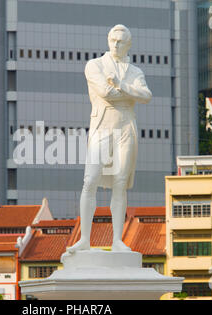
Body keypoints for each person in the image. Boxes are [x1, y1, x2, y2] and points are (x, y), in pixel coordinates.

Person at [67, 24, 152, 253]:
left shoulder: (135, 72)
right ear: (107, 40)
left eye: (121, 41)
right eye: (113, 40)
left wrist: (122, 85)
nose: (116, 44)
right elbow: (106, 92)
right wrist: (127, 92)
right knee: (90, 180)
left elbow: (146, 96)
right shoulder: (94, 65)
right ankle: (85, 238)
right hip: (102, 125)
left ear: (129, 44)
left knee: (120, 183)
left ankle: (117, 240)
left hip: (126, 126)